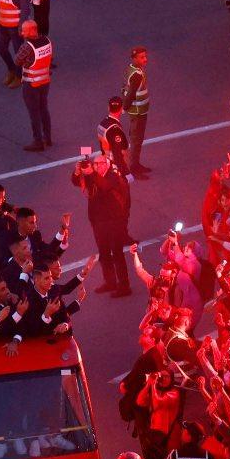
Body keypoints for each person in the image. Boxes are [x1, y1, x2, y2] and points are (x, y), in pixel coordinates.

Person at [73, 152, 132, 296]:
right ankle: (110, 282)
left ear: (106, 164)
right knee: (104, 253)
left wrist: (91, 173)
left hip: (114, 221)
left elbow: (104, 186)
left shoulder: (113, 176)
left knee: (117, 254)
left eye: (99, 164)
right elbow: (77, 182)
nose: (96, 166)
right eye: (95, 164)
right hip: (99, 222)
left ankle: (124, 286)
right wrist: (77, 172)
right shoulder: (93, 175)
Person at [16, 19, 54, 151]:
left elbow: (17, 61)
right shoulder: (47, 41)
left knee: (34, 113)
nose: (21, 33)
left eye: (24, 30)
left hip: (31, 84)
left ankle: (38, 141)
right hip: (45, 82)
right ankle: (48, 138)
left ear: (32, 30)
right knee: (44, 109)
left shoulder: (27, 46)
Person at [121, 46, 151, 176]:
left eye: (145, 56)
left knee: (137, 139)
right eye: (142, 57)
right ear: (134, 58)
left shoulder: (131, 68)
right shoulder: (137, 75)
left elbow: (125, 88)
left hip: (138, 111)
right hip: (138, 112)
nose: (145, 59)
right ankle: (133, 168)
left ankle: (136, 164)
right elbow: (131, 93)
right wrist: (124, 108)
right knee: (136, 140)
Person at [98, 96, 131, 171]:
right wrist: (126, 172)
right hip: (114, 167)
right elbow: (119, 154)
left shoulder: (102, 123)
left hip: (106, 162)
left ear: (108, 108)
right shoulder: (115, 129)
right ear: (121, 109)